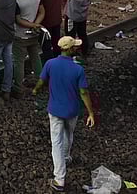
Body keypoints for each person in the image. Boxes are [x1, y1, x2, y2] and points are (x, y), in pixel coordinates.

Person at [34, 36, 95, 192]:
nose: (77, 48)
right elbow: (84, 92)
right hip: (72, 110)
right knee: (69, 134)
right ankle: (67, 157)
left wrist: (35, 90)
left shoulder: (50, 64)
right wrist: (90, 112)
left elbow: (42, 80)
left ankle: (59, 179)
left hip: (55, 110)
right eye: (75, 46)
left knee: (57, 142)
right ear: (70, 49)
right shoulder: (78, 69)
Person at [12, 0, 45, 87]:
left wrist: (33, 25)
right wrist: (36, 24)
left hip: (20, 35)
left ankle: (18, 85)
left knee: (18, 61)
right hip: (34, 34)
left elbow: (18, 20)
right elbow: (42, 12)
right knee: (35, 56)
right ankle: (40, 80)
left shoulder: (17, 0)